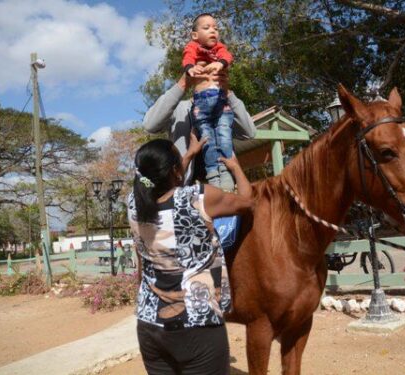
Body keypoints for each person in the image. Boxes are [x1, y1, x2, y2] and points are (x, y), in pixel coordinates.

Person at [127, 138, 253, 375]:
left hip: (149, 325)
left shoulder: (134, 203)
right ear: (175, 171)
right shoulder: (198, 198)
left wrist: (187, 156)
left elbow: (165, 185)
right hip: (197, 325)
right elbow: (247, 201)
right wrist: (235, 166)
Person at [142, 71, 256, 188]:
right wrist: (182, 84)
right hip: (186, 191)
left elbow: (250, 132)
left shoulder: (225, 108)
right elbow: (150, 125)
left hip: (224, 188)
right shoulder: (179, 108)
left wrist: (228, 93)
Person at [181, 13, 237, 191]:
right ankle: (213, 173)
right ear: (195, 35)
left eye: (215, 28)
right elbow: (187, 58)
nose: (213, 30)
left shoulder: (219, 48)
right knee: (207, 140)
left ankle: (226, 171)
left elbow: (227, 56)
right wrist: (191, 68)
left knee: (225, 137)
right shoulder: (193, 47)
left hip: (221, 102)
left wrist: (220, 63)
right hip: (201, 104)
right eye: (207, 28)